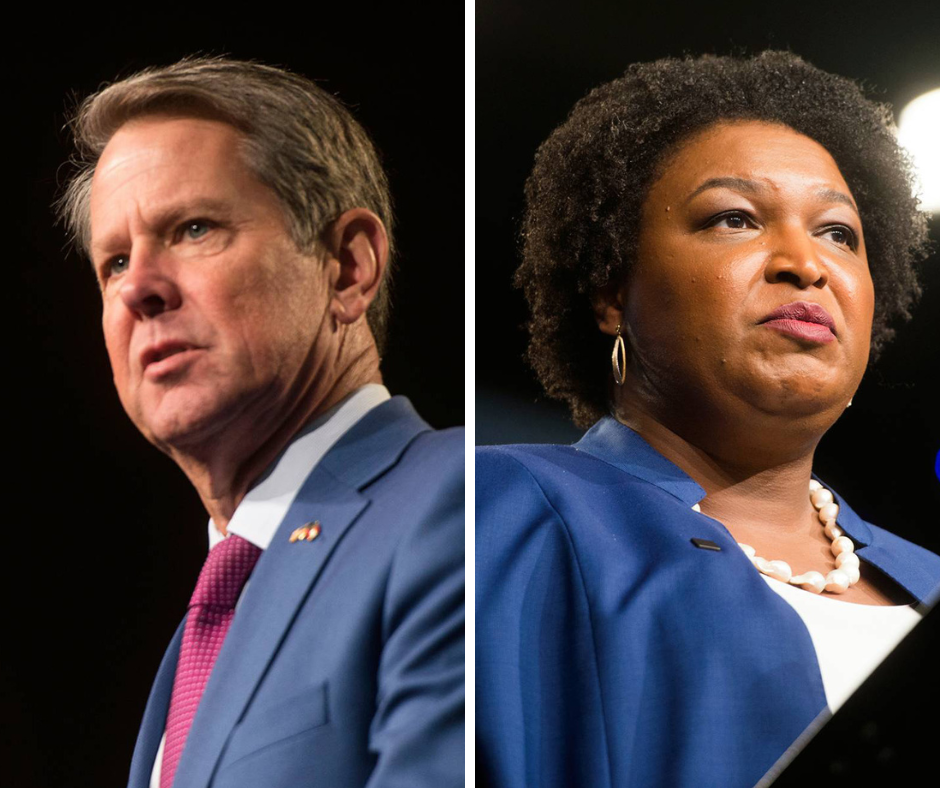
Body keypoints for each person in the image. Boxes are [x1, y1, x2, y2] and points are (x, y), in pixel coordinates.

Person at [476, 51, 940, 788]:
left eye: (838, 233)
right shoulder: (499, 512)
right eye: (734, 218)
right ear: (610, 291)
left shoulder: (929, 577)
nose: (805, 264)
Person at [56, 56, 464, 788]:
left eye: (193, 228)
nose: (139, 289)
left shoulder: (460, 504)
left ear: (348, 267)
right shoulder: (199, 635)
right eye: (114, 261)